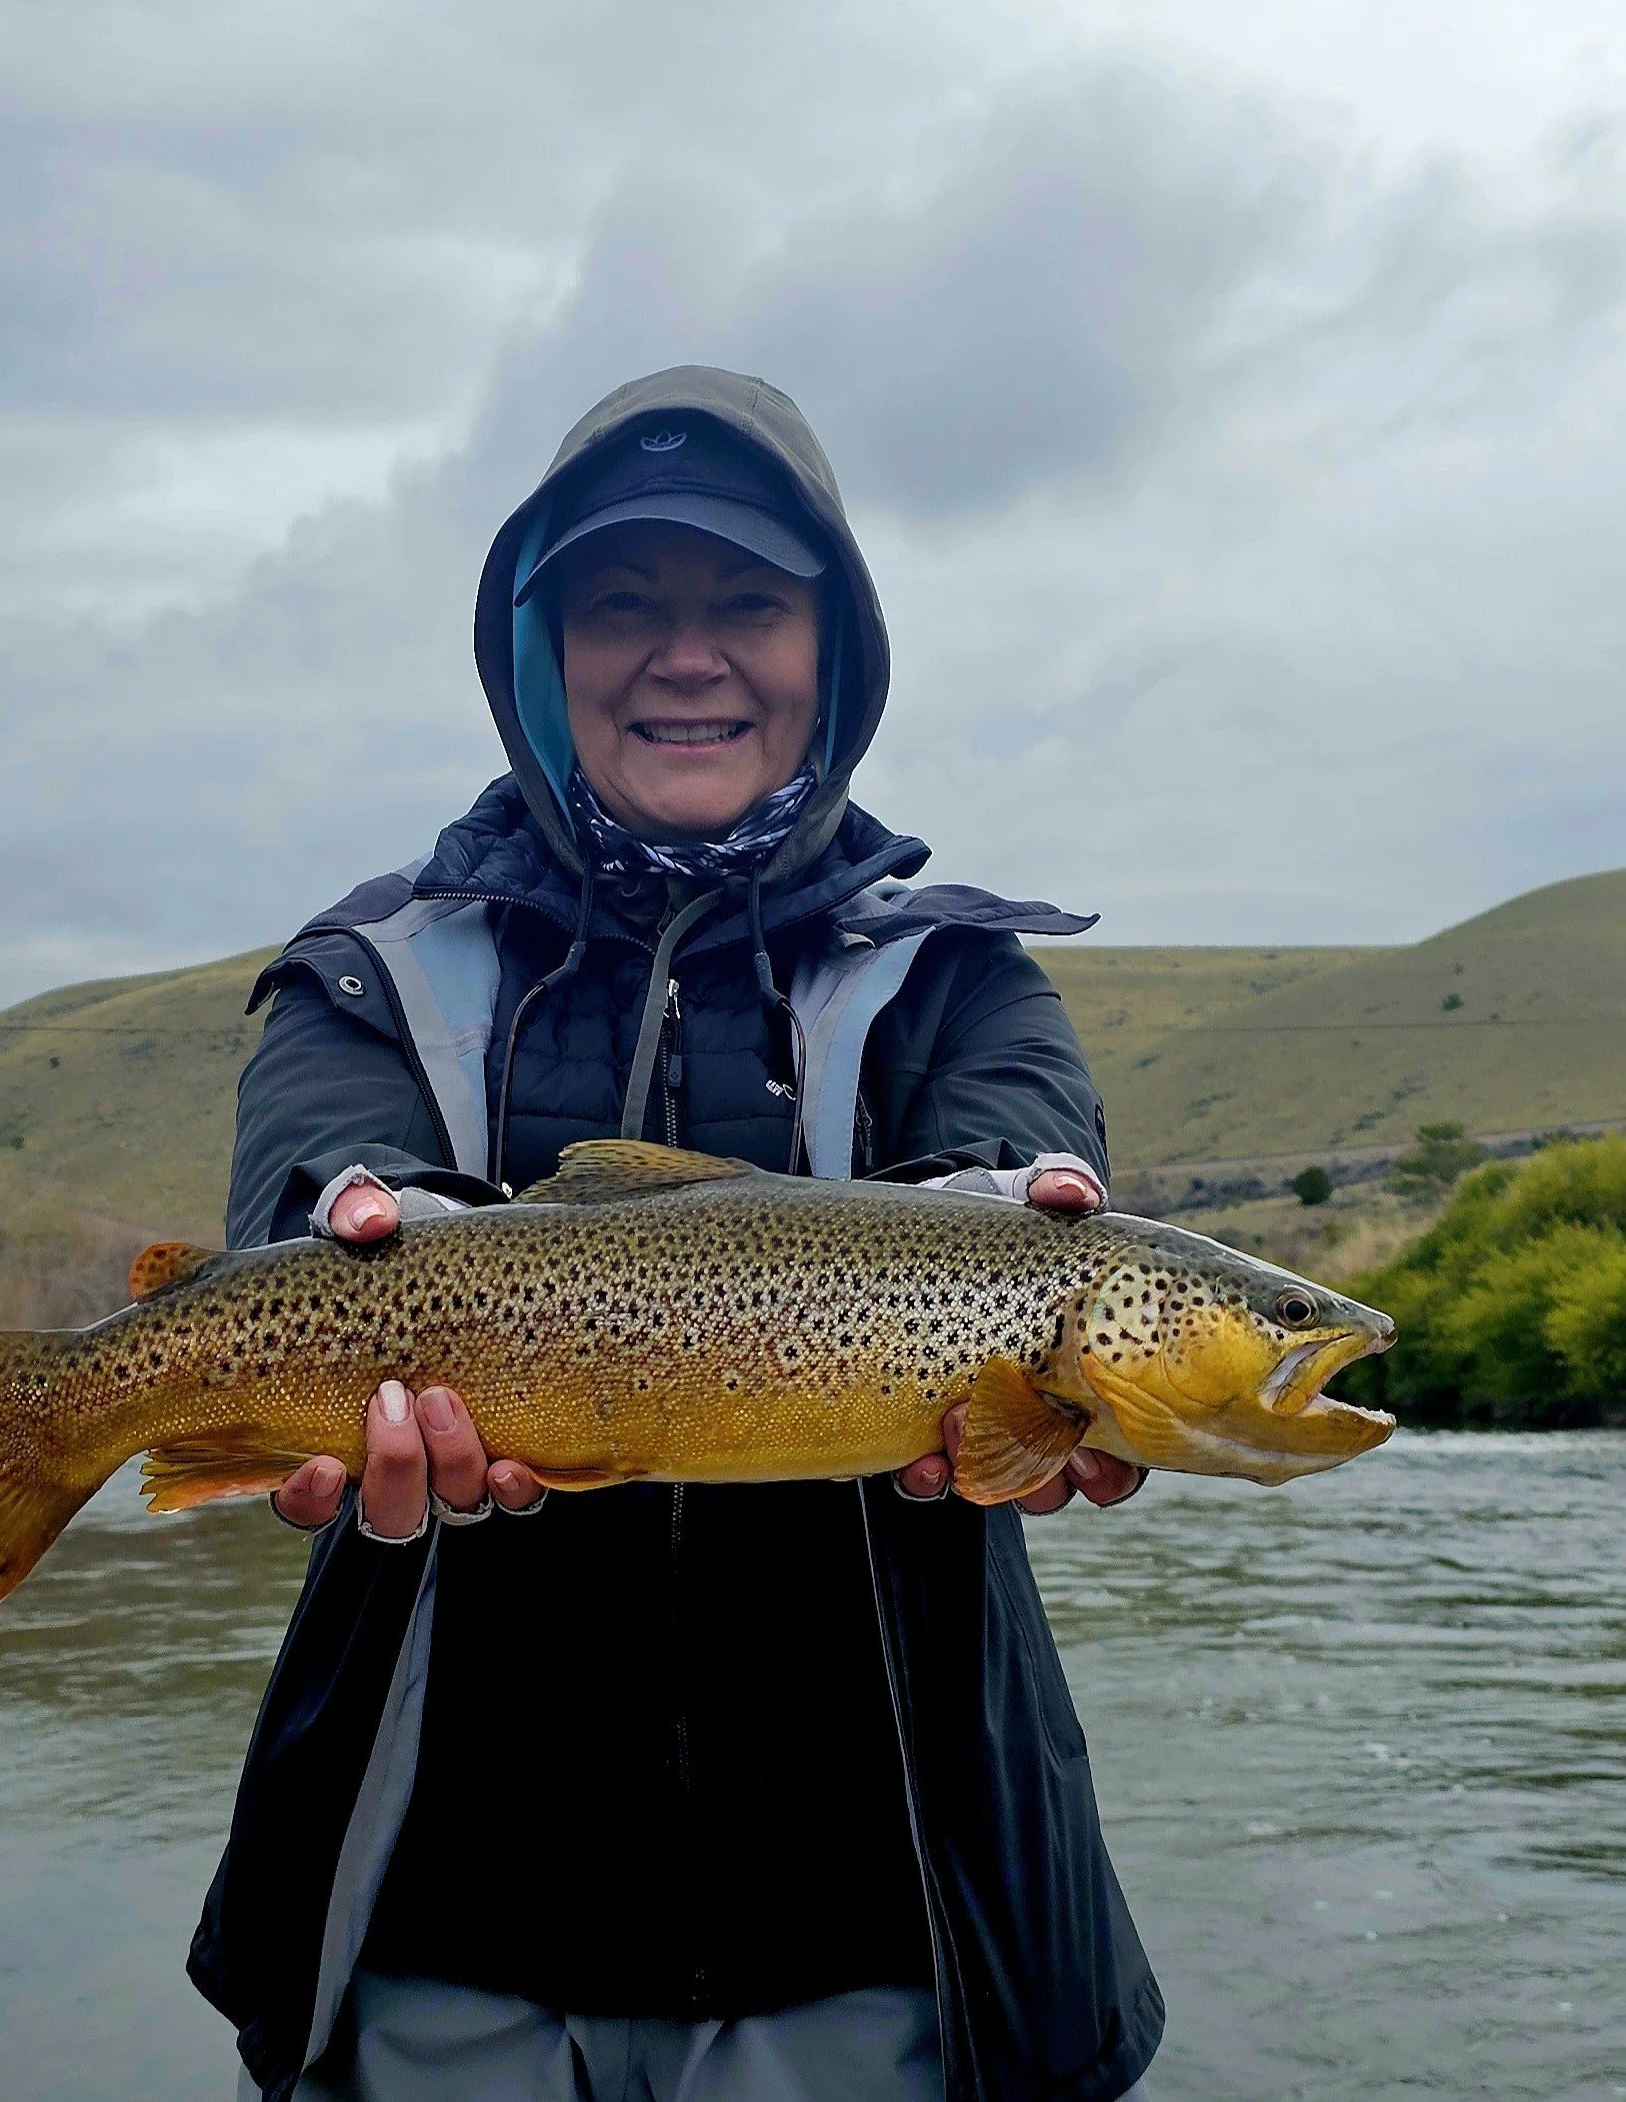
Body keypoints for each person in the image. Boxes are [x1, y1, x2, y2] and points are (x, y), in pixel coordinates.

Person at [190, 367, 1164, 2102]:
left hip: (872, 1936)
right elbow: (317, 1165)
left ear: (833, 653)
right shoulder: (376, 969)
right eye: (626, 603)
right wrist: (347, 1224)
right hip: (437, 1925)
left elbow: (1020, 1162)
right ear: (542, 656)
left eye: (749, 604)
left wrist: (1021, 1238)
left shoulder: (960, 974)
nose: (688, 653)